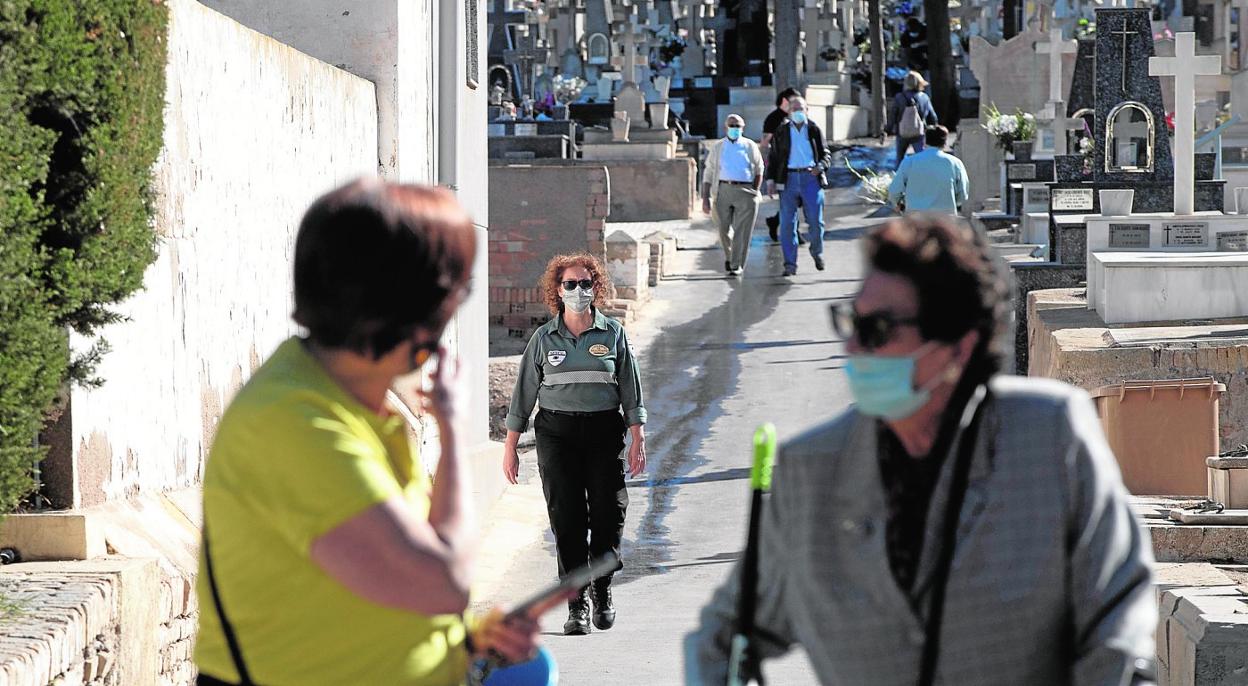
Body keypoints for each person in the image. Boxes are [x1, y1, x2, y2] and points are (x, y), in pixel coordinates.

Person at [687, 215, 1158, 685]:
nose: (851, 346)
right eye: (850, 321)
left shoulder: (1049, 437)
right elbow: (726, 634)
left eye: (878, 329)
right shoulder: (810, 472)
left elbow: (1117, 621)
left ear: (957, 346)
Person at [194, 180, 539, 686]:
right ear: (419, 314)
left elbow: (372, 596)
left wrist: (466, 641)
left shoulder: (354, 404)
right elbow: (444, 580)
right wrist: (459, 429)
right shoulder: (297, 422)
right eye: (458, 295)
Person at [503, 254, 647, 636]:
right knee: (567, 519)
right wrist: (511, 446)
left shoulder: (612, 333)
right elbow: (523, 395)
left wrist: (637, 436)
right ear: (558, 290)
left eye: (586, 284)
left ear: (595, 287)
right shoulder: (543, 338)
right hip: (557, 434)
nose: (579, 291)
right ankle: (576, 604)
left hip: (603, 431)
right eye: (571, 284)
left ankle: (602, 590)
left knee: (608, 513)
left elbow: (631, 389)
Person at [764, 96, 833, 277]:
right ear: (788, 112)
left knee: (816, 223)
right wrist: (770, 180)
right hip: (788, 179)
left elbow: (826, 154)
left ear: (807, 110)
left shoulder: (814, 129)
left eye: (801, 109)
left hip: (811, 178)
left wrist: (820, 167)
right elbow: (774, 157)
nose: (798, 112)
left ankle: (817, 252)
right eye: (794, 109)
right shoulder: (781, 131)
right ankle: (790, 265)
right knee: (787, 224)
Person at [702, 114, 765, 276]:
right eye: (732, 125)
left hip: (746, 190)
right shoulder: (718, 147)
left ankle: (737, 264)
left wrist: (755, 190)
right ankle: (731, 257)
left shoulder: (749, 146)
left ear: (743, 128)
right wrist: (705, 199)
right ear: (726, 128)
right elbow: (708, 172)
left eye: (738, 126)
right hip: (723, 189)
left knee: (742, 230)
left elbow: (759, 168)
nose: (735, 129)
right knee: (723, 228)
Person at [887, 125, 970, 215]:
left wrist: (899, 203)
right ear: (945, 142)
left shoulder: (910, 161)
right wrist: (953, 202)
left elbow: (894, 191)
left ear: (925, 141)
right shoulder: (955, 163)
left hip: (916, 216)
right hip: (946, 217)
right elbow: (963, 193)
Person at [761, 87, 802, 243]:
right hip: (780, 165)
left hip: (796, 162)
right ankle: (793, 230)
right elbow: (765, 142)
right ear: (785, 101)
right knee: (791, 197)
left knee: (796, 198)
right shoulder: (774, 118)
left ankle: (776, 221)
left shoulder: (794, 117)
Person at [889, 71, 939, 169]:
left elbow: (892, 116)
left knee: (900, 159)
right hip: (919, 133)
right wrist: (934, 128)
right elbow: (933, 117)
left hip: (902, 133)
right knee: (922, 159)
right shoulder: (924, 97)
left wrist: (887, 130)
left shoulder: (899, 97)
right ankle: (923, 179)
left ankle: (900, 180)